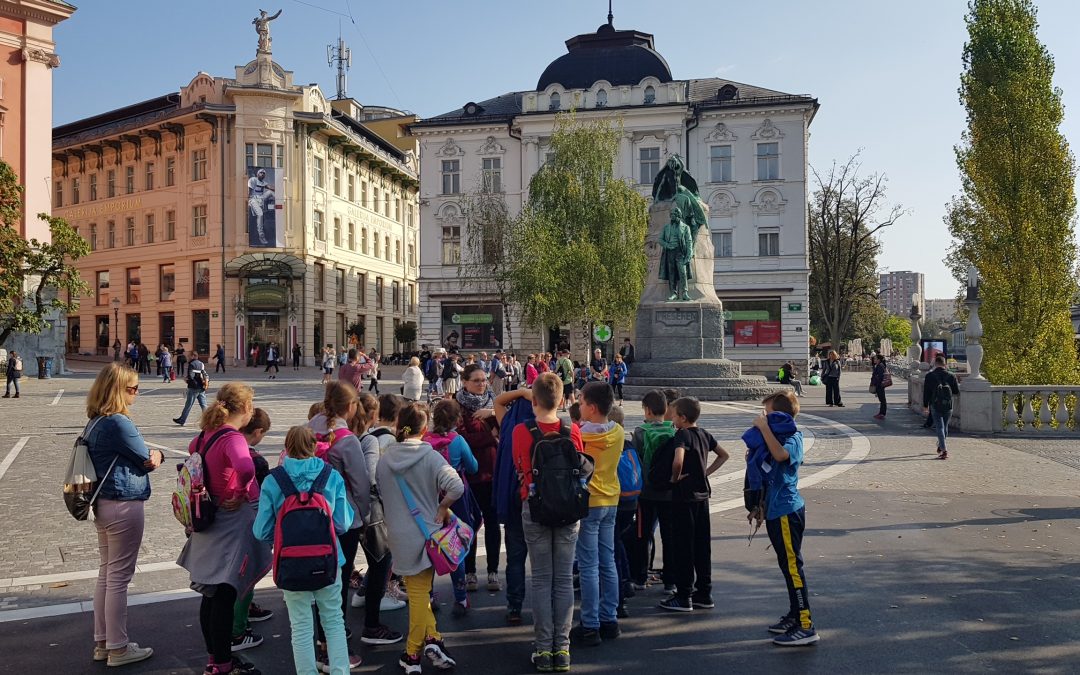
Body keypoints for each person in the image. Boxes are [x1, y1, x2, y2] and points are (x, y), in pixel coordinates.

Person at [176, 383, 272, 675]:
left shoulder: (205, 436)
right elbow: (245, 468)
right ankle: (222, 663)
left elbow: (194, 454)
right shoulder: (233, 438)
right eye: (251, 405)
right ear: (243, 409)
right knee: (225, 595)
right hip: (231, 522)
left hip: (209, 517)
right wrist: (240, 492)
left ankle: (215, 658)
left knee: (210, 594)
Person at [253, 426, 353, 674]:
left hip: (291, 563)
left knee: (300, 626)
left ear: (286, 448)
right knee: (333, 621)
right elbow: (343, 523)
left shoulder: (274, 480)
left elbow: (261, 531)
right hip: (328, 560)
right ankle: (341, 670)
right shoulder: (331, 477)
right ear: (314, 447)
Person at [85, 363, 164, 667]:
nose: (136, 393)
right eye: (132, 389)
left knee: (107, 573)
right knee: (119, 577)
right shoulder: (118, 422)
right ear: (118, 391)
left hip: (104, 503)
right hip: (123, 502)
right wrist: (159, 455)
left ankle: (103, 642)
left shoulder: (95, 420)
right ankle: (118, 647)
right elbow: (147, 459)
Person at [376, 403, 463, 675]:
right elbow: (456, 486)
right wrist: (442, 507)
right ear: (424, 429)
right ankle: (413, 653)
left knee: (417, 592)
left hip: (398, 535)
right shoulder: (431, 456)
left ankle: (433, 639)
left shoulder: (384, 458)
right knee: (418, 594)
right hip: (427, 532)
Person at [509, 373, 583, 673]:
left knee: (541, 578)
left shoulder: (520, 431)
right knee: (564, 579)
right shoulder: (573, 429)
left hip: (535, 506)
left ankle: (542, 649)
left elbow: (518, 466)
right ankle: (562, 648)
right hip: (568, 509)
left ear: (534, 400)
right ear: (562, 399)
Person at [308, 382, 375, 670]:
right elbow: (360, 484)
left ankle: (318, 640)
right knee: (337, 584)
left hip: (309, 513)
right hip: (341, 518)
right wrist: (364, 514)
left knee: (316, 581)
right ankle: (332, 647)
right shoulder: (346, 440)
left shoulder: (310, 427)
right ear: (350, 407)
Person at [746, 391, 819, 646]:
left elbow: (781, 456)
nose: (763, 418)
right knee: (786, 568)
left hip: (788, 511)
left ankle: (806, 625)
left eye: (767, 414)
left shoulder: (793, 437)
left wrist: (764, 429)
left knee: (793, 568)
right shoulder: (774, 437)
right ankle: (794, 614)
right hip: (776, 510)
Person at [658, 398, 729, 612]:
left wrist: (674, 477)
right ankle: (704, 592)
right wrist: (704, 472)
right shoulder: (705, 434)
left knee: (683, 546)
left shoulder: (682, 435)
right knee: (701, 546)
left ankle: (684, 594)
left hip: (684, 496)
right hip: (702, 495)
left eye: (674, 414)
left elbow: (678, 459)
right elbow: (724, 455)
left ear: (683, 418)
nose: (671, 418)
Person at [571, 382, 624, 647]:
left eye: (581, 402)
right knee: (608, 560)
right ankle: (609, 619)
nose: (578, 406)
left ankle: (589, 624)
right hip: (611, 499)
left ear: (591, 408)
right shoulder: (619, 432)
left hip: (589, 501)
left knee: (588, 565)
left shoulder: (581, 436)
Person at [423, 399, 479, 616]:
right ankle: (461, 598)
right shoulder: (457, 440)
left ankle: (428, 593)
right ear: (457, 419)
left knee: (431, 544)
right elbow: (473, 467)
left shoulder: (425, 440)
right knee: (457, 544)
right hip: (457, 497)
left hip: (432, 496)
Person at [455, 364, 502, 595]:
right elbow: (462, 440)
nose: (482, 384)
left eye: (484, 380)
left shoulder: (495, 403)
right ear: (464, 382)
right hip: (470, 475)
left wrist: (492, 413)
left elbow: (507, 424)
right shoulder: (457, 406)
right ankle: (470, 570)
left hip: (493, 472)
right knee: (471, 523)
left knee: (493, 522)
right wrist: (490, 435)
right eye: (477, 380)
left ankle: (493, 570)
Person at [231, 409, 273, 653]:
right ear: (257, 432)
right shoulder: (255, 460)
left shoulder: (228, 447)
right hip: (251, 523)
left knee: (238, 575)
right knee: (247, 573)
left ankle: (246, 613)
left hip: (229, 523)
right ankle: (238, 629)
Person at [631, 390, 676, 591]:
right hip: (668, 493)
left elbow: (636, 461)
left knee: (643, 534)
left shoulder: (640, 432)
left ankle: (640, 577)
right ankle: (670, 580)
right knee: (669, 536)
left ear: (647, 410)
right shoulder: (674, 431)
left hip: (646, 493)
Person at [922, 355, 959, 459]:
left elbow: (926, 392)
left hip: (935, 404)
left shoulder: (930, 376)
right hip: (948, 405)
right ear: (945, 364)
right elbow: (956, 391)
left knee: (939, 427)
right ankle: (941, 446)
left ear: (935, 364)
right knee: (945, 427)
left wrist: (925, 406)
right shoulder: (952, 375)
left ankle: (944, 450)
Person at [173, 352, 209, 426]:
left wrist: (187, 380)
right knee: (203, 404)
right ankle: (208, 420)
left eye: (189, 356)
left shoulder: (192, 364)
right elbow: (203, 374)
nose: (188, 357)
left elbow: (191, 376)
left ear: (193, 356)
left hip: (193, 387)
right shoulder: (201, 363)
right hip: (201, 386)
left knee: (188, 405)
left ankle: (182, 420)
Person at [869, 354, 888, 420]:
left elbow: (880, 376)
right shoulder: (878, 365)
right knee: (881, 400)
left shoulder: (880, 366)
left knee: (882, 400)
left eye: (875, 359)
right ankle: (881, 413)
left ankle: (882, 413)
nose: (874, 360)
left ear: (879, 360)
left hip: (879, 385)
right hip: (879, 385)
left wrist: (877, 384)